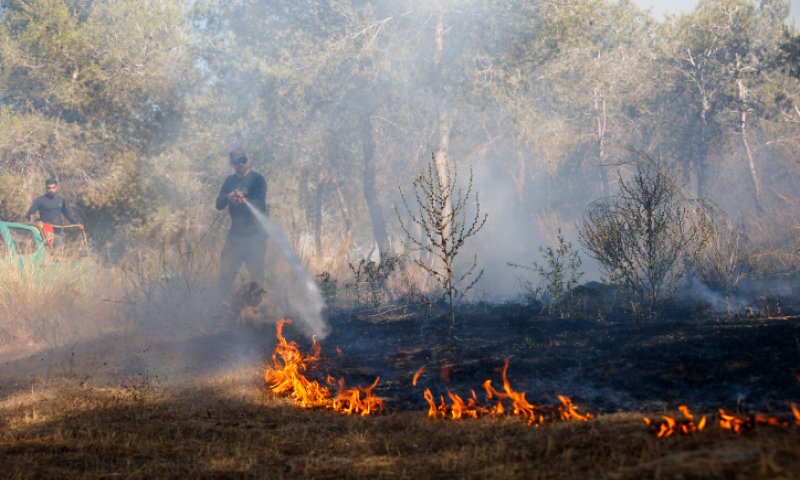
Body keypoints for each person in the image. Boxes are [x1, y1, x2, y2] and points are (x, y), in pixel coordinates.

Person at [216, 147, 268, 291]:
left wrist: (244, 201)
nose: (240, 164)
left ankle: (258, 303)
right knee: (225, 276)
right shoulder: (229, 181)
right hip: (235, 237)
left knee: (257, 278)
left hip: (255, 236)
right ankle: (224, 302)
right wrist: (228, 197)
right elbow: (219, 205)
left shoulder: (258, 179)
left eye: (243, 161)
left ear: (248, 161)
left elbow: (260, 203)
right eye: (236, 162)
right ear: (232, 164)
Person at [25, 178, 83, 248]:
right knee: (46, 252)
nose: (51, 190)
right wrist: (37, 222)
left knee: (58, 252)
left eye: (53, 188)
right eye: (49, 188)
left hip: (58, 233)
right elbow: (28, 215)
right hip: (45, 233)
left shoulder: (61, 200)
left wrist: (76, 223)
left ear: (56, 188)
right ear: (46, 188)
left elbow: (67, 213)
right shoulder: (40, 200)